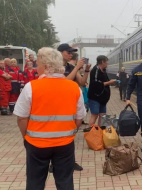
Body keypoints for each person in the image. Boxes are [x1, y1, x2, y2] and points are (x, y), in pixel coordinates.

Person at [13, 47, 86, 190]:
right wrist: (69, 133)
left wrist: (26, 137)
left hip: (36, 145)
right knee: (65, 182)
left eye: (38, 65)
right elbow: (80, 118)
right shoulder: (73, 88)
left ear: (46, 67)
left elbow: (22, 118)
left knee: (35, 183)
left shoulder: (31, 87)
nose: (36, 68)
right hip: (65, 144)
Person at [56, 43, 90, 171]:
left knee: (71, 133)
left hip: (71, 102)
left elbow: (81, 82)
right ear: (60, 53)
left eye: (72, 53)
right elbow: (64, 82)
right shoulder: (55, 67)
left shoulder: (71, 67)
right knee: (57, 134)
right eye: (68, 52)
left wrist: (86, 71)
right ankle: (54, 163)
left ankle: (71, 161)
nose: (71, 54)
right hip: (59, 103)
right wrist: (77, 68)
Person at [88, 55, 117, 127]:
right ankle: (90, 134)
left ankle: (100, 133)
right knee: (94, 115)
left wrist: (110, 81)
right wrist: (109, 82)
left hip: (103, 99)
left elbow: (105, 81)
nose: (107, 63)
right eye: (106, 62)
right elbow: (95, 84)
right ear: (102, 62)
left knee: (102, 116)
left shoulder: (103, 71)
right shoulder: (95, 70)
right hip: (95, 97)